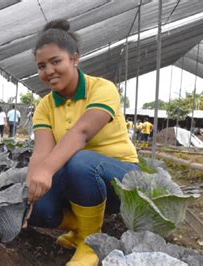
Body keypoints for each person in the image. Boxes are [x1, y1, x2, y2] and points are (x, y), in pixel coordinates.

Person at [25, 19, 139, 265]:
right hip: (80, 178)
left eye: (56, 61)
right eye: (42, 66)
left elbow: (82, 133)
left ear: (75, 59)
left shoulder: (103, 89)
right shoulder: (45, 106)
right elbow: (41, 151)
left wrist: (46, 170)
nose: (49, 71)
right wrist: (31, 191)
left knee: (81, 160)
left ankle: (91, 241)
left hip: (121, 179)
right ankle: (79, 226)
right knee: (39, 210)